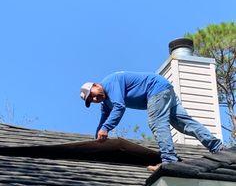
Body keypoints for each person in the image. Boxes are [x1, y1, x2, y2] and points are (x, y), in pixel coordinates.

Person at [80, 71, 224, 171]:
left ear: (96, 85)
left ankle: (169, 160)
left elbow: (119, 107)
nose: (94, 100)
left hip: (156, 89)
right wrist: (96, 141)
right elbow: (104, 119)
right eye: (91, 101)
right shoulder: (106, 102)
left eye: (92, 95)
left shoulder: (110, 83)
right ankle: (217, 147)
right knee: (183, 123)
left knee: (156, 122)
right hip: (164, 89)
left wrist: (105, 128)